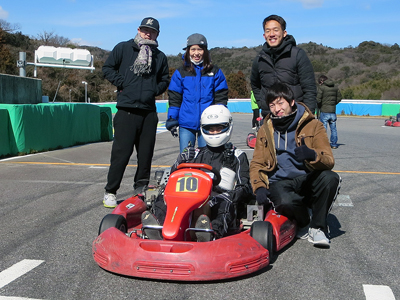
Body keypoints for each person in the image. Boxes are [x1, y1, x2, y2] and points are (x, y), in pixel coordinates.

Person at [250, 82, 341, 248]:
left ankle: (318, 227)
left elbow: (329, 160)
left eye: (280, 103)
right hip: (281, 181)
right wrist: (259, 187)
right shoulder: (265, 129)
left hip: (307, 177)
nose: (277, 109)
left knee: (330, 178)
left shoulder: (314, 125)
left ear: (291, 102)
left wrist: (313, 155)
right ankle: (305, 221)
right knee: (285, 200)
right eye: (272, 105)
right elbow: (257, 161)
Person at [142, 105, 253, 241]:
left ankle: (211, 233)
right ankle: (158, 227)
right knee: (164, 195)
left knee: (225, 202)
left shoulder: (237, 155)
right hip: (191, 198)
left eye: (218, 128)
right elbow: (173, 179)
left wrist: (230, 194)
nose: (214, 132)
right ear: (203, 129)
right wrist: (179, 161)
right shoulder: (194, 153)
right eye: (210, 129)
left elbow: (245, 186)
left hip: (217, 200)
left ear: (227, 126)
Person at [102, 17, 170, 208]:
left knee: (145, 155)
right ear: (139, 29)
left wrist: (153, 90)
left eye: (152, 31)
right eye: (145, 29)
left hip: (148, 112)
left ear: (157, 34)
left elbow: (165, 79)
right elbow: (107, 68)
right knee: (120, 154)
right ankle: (110, 191)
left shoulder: (160, 56)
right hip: (126, 110)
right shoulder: (124, 48)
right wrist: (122, 83)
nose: (148, 33)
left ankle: (140, 190)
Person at [166, 33, 229, 153]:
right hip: (186, 123)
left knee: (207, 159)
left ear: (205, 51)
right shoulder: (181, 72)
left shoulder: (214, 71)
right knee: (186, 159)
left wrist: (220, 117)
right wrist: (172, 118)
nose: (196, 53)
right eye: (193, 49)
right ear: (188, 51)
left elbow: (221, 96)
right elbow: (175, 98)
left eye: (200, 49)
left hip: (208, 124)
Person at [250, 15, 317, 118]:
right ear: (264, 35)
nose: (271, 34)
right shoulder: (260, 59)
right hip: (270, 117)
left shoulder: (297, 54)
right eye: (268, 31)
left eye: (275, 30)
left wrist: (308, 116)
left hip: (295, 116)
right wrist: (263, 103)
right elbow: (255, 84)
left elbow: (310, 88)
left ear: (284, 33)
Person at [317, 75, 342, 149]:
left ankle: (323, 144)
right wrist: (333, 104)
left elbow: (318, 99)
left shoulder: (322, 88)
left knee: (323, 128)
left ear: (321, 81)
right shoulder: (335, 87)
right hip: (332, 111)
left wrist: (320, 105)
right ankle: (334, 144)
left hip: (324, 110)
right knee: (333, 128)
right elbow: (339, 98)